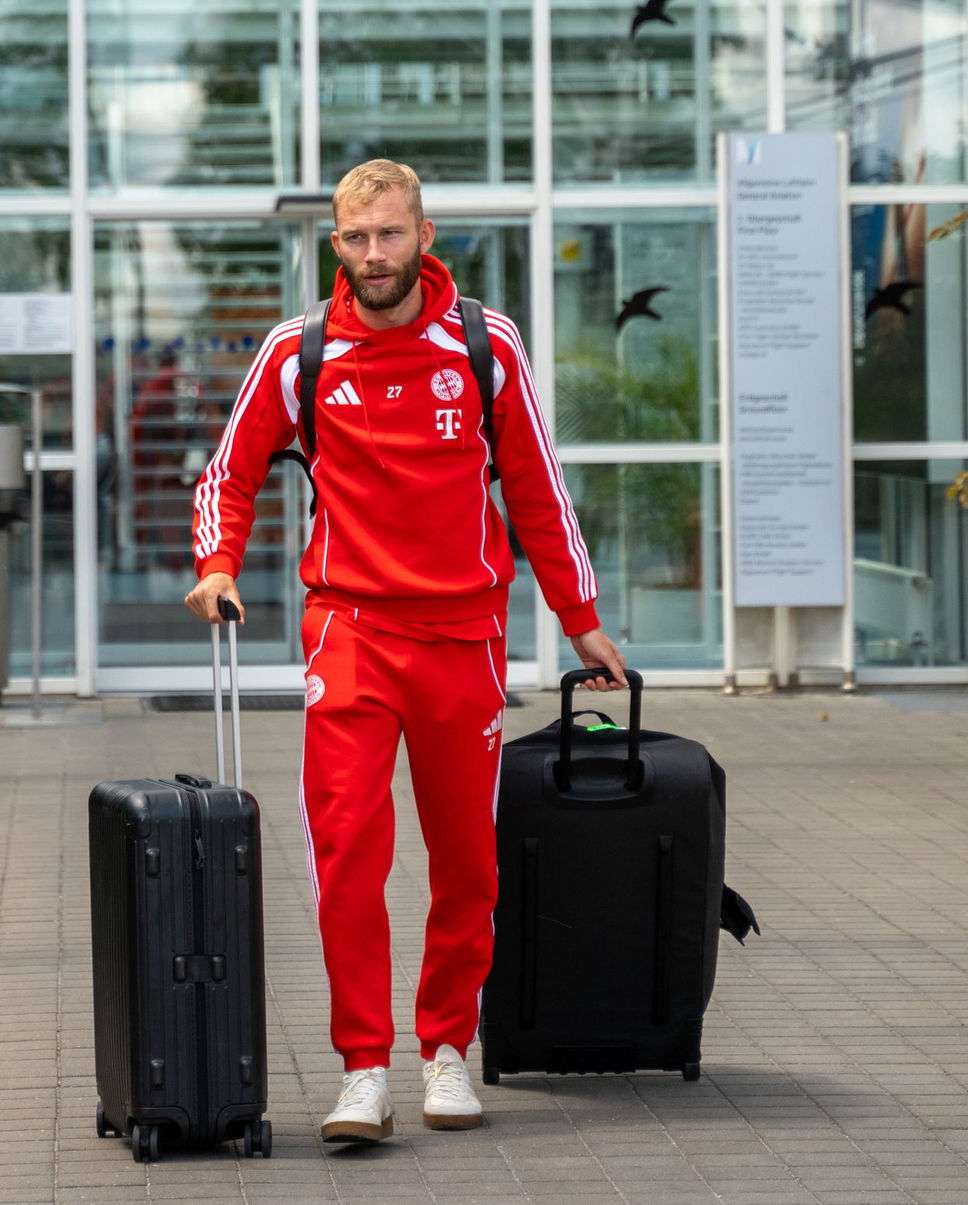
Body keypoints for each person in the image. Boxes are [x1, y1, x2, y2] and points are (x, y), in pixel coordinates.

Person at [184, 159, 627, 1143]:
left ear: (424, 234)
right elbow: (228, 470)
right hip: (348, 630)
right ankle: (359, 1069)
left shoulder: (482, 344)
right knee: (347, 852)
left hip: (462, 637)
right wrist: (216, 562)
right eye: (353, 238)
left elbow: (538, 489)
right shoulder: (300, 350)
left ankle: (446, 1050)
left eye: (388, 234)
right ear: (333, 243)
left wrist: (580, 613)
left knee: (466, 859)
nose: (372, 255)